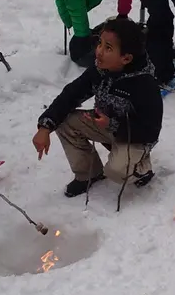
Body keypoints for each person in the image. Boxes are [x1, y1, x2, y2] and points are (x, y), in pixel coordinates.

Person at [33, 15, 163, 197]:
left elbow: (150, 130)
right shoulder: (100, 70)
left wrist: (112, 124)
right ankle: (88, 174)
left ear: (126, 58)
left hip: (135, 137)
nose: (99, 51)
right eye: (100, 43)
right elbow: (71, 94)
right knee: (64, 121)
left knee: (116, 171)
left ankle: (141, 168)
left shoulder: (144, 84)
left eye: (108, 48)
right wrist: (45, 126)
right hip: (105, 125)